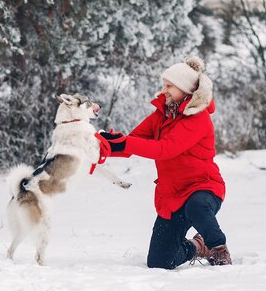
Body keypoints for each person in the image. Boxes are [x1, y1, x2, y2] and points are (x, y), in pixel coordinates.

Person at [96, 56, 232, 269]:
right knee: (159, 263)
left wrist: (125, 143)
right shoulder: (162, 115)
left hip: (203, 187)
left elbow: (165, 149)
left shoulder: (198, 118)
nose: (164, 89)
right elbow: (134, 141)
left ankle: (218, 248)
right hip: (172, 196)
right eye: (164, 84)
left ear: (185, 89)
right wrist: (101, 146)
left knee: (197, 207)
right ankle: (199, 246)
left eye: (169, 85)